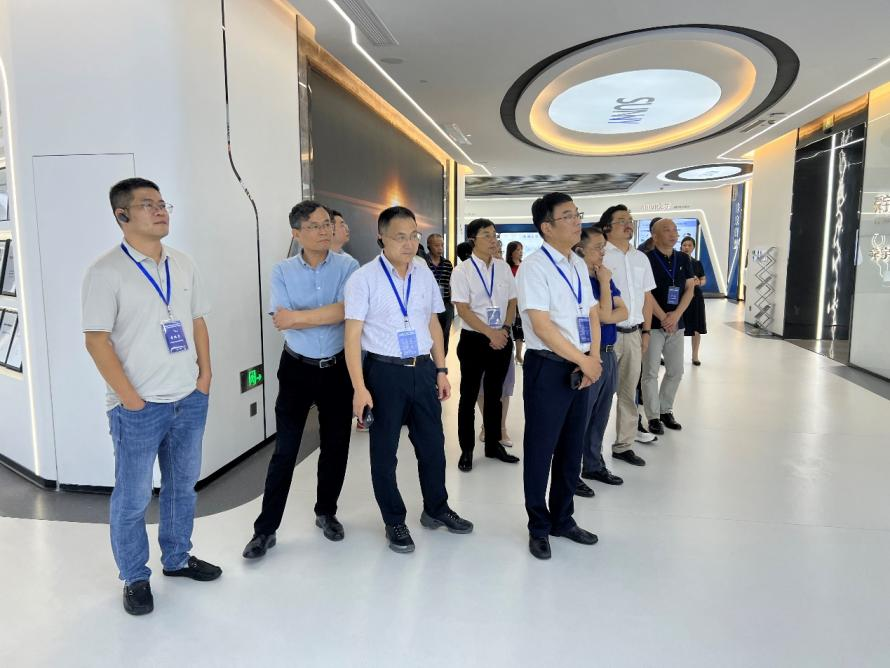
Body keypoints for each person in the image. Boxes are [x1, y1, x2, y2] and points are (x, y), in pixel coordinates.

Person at [82, 177, 220, 616]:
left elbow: (197, 321)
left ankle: (177, 558)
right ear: (122, 215)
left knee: (182, 487)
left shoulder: (182, 263)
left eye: (162, 204)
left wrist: (205, 377)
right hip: (138, 408)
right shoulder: (106, 272)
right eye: (148, 205)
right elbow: (96, 340)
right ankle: (134, 576)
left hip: (188, 399)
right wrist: (131, 400)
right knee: (133, 496)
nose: (160, 211)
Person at [344, 206, 473, 554]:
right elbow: (352, 337)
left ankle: (436, 508)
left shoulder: (423, 272)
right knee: (384, 453)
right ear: (381, 238)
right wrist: (359, 388)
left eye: (413, 236)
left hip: (423, 369)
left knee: (433, 446)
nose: (409, 243)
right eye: (400, 237)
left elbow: (433, 323)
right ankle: (394, 520)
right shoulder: (363, 279)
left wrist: (441, 369)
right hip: (384, 373)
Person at [242, 201, 359, 560]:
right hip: (296, 368)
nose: (324, 231)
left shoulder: (349, 266)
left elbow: (348, 311)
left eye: (327, 224)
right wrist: (319, 315)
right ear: (296, 233)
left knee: (336, 445)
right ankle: (265, 530)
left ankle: (326, 512)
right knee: (285, 450)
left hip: (337, 368)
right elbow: (281, 318)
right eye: (314, 226)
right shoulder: (282, 270)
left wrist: (300, 317)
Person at [517, 192, 602, 560]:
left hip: (581, 366)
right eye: (567, 216)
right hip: (548, 366)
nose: (576, 221)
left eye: (576, 214)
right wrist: (584, 361)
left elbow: (593, 313)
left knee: (571, 448)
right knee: (541, 450)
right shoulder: (534, 267)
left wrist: (592, 358)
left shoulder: (578, 264)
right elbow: (542, 326)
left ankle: (563, 519)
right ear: (547, 227)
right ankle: (538, 526)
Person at [450, 218, 519, 472]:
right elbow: (463, 309)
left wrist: (504, 330)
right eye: (487, 235)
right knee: (468, 396)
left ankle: (493, 444)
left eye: (495, 235)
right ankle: (467, 450)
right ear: (473, 240)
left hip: (502, 337)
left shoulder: (503, 268)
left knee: (494, 395)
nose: (493, 240)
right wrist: (490, 332)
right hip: (474, 340)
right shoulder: (462, 271)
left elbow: (512, 302)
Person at [601, 204, 657, 467]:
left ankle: (624, 445)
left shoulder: (640, 258)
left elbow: (647, 297)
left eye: (630, 220)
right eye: (622, 220)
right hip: (606, 334)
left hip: (634, 333)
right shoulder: (600, 255)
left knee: (628, 392)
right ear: (607, 227)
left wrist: (646, 331)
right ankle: (590, 451)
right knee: (599, 395)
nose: (628, 224)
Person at [576, 227, 629, 493]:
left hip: (609, 352)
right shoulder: (580, 279)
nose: (602, 253)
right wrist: (606, 284)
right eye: (597, 247)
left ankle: (593, 464)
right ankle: (570, 471)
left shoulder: (602, 275)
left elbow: (624, 311)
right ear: (580, 250)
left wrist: (606, 284)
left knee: (601, 413)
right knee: (581, 416)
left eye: (603, 247)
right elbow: (607, 314)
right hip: (588, 355)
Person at [641, 219, 697, 435]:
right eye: (667, 230)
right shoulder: (646, 259)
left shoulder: (683, 258)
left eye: (675, 230)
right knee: (650, 372)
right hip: (653, 324)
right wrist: (664, 317)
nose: (673, 234)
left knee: (676, 370)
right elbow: (646, 293)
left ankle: (665, 409)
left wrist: (676, 316)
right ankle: (653, 416)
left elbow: (690, 289)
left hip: (677, 324)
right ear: (654, 236)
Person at [680, 236, 708, 365]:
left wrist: (699, 282)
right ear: (681, 246)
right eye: (684, 245)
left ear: (693, 248)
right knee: (678, 328)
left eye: (689, 245)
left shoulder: (697, 263)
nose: (686, 247)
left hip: (695, 298)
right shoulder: (676, 261)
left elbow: (703, 279)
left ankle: (695, 356)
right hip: (680, 297)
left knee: (696, 327)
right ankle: (676, 356)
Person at [426, 233, 455, 355]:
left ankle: (442, 359)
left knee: (445, 333)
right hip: (428, 305)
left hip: (445, 304)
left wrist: (452, 300)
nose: (440, 248)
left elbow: (450, 283)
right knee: (428, 333)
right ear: (429, 246)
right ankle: (429, 359)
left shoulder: (447, 264)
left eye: (442, 245)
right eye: (436, 245)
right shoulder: (423, 263)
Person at [506, 241, 525, 364]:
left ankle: (518, 354)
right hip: (510, 302)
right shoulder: (506, 267)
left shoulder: (524, 266)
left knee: (520, 329)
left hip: (522, 302)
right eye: (517, 250)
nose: (520, 252)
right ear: (511, 252)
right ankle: (509, 353)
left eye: (521, 249)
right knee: (510, 327)